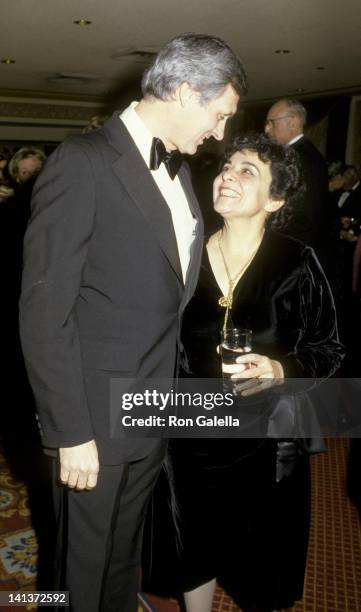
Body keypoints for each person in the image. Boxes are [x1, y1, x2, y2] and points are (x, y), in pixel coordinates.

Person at [19, 33, 247, 612]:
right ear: (182, 91)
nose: (220, 133)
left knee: (122, 557)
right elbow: (45, 312)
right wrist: (70, 432)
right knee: (73, 564)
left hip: (152, 408)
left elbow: (163, 295)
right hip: (92, 417)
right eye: (219, 115)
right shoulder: (83, 161)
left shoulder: (183, 175)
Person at [142, 133, 343, 612]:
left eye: (247, 170)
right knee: (193, 543)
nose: (228, 174)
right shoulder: (184, 251)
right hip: (191, 434)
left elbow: (329, 348)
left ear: (275, 199)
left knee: (263, 555)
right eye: (226, 165)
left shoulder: (297, 261)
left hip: (269, 440)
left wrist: (281, 367)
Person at [264, 98, 334, 276]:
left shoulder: (298, 159)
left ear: (293, 123)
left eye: (272, 123)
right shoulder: (305, 154)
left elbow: (302, 216)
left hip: (293, 255)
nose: (266, 129)